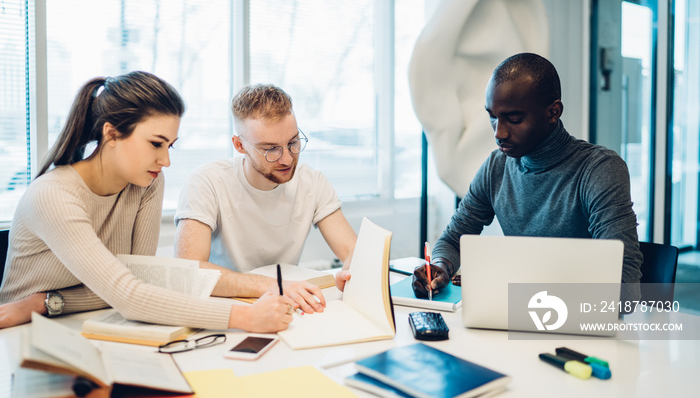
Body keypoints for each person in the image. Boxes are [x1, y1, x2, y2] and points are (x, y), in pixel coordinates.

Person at [0, 72, 294, 331]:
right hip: (22, 334)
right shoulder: (54, 195)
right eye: (156, 143)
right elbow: (128, 295)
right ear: (111, 133)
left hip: (88, 321)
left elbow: (138, 283)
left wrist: (47, 301)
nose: (165, 160)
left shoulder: (147, 182)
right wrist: (246, 317)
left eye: (170, 146)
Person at [412, 53, 643, 302]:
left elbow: (624, 287)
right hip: (521, 319)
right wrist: (440, 266)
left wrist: (505, 283)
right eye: (492, 116)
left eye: (514, 119)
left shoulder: (598, 170)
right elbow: (452, 240)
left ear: (553, 112)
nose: (499, 132)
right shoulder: (495, 167)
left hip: (583, 327)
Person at [174, 84, 356, 314]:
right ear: (239, 145)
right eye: (271, 149)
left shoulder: (312, 181)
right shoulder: (206, 182)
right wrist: (273, 286)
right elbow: (189, 271)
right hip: (227, 312)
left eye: (293, 142)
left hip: (288, 305)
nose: (288, 160)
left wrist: (351, 269)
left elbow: (353, 252)